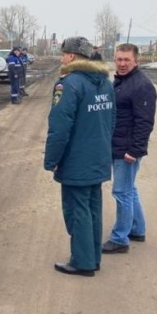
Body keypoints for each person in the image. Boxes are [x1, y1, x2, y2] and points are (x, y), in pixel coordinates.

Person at [44, 36, 115, 276]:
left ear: (72, 56)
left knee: (77, 210)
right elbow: (110, 121)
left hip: (77, 160)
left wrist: (52, 160)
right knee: (93, 208)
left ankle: (82, 262)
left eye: (64, 54)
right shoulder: (104, 83)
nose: (61, 57)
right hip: (98, 157)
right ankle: (92, 257)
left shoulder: (69, 84)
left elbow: (60, 126)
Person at [102, 43, 157, 254]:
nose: (122, 64)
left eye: (127, 60)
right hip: (119, 145)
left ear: (136, 61)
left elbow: (145, 122)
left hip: (127, 150)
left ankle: (120, 239)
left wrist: (135, 150)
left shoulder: (141, 85)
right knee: (129, 189)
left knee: (121, 192)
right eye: (119, 59)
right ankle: (137, 228)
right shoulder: (123, 81)